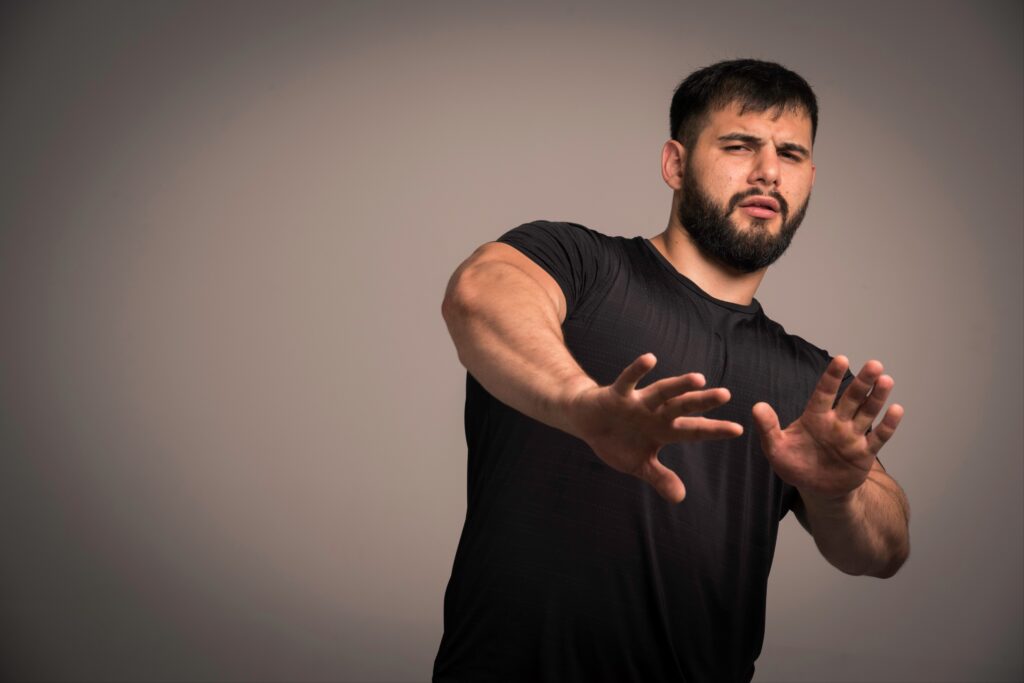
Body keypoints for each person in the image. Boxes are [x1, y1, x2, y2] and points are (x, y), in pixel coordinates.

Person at [432, 58, 911, 683]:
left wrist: (838, 493)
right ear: (676, 164)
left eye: (791, 155)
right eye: (739, 145)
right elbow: (480, 293)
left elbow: (885, 548)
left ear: (809, 179)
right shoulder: (580, 263)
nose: (768, 170)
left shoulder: (812, 380)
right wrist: (582, 405)